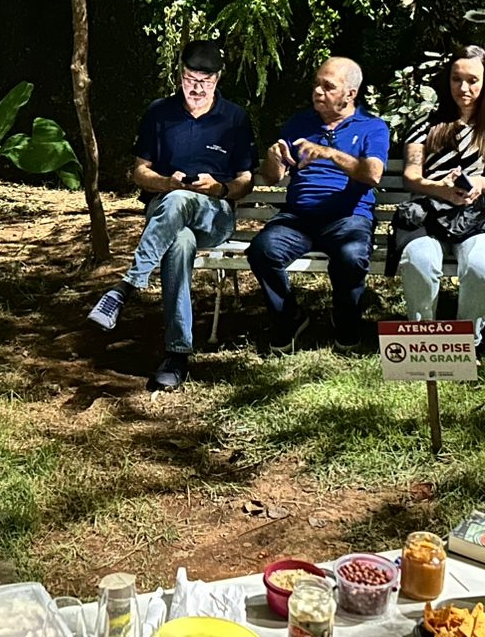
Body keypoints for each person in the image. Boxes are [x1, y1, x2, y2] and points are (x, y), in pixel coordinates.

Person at [87, 41, 256, 391]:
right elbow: (139, 172)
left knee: (181, 200)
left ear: (218, 79)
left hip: (215, 214)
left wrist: (218, 188)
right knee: (179, 241)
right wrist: (165, 181)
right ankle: (177, 353)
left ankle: (126, 286)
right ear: (180, 76)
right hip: (166, 211)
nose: (195, 88)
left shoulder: (235, 118)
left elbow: (244, 181)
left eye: (204, 81)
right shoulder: (159, 113)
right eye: (189, 79)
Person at [247, 56, 390, 351]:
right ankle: (290, 317)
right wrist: (273, 159)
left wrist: (330, 153)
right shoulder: (299, 123)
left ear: (351, 94)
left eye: (328, 86)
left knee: (351, 257)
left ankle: (345, 320)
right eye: (316, 84)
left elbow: (373, 174)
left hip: (348, 217)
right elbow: (273, 177)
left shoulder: (372, 127)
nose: (317, 92)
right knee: (262, 251)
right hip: (298, 217)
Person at [394, 46, 485, 341]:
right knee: (419, 261)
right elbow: (411, 176)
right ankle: (423, 341)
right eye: (457, 79)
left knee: (481, 268)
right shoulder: (426, 124)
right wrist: (438, 187)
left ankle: (465, 343)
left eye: (473, 80)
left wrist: (480, 183)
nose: (464, 88)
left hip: (483, 218)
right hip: (430, 215)